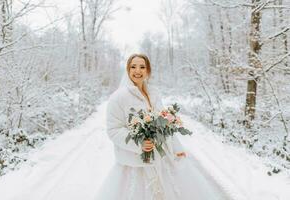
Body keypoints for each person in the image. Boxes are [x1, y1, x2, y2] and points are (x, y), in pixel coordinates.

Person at [94, 54, 229, 200]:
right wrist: (140, 144)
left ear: (148, 71)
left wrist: (177, 148)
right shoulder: (119, 97)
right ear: (127, 70)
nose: (137, 70)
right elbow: (114, 130)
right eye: (133, 66)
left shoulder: (154, 93)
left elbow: (164, 123)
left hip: (160, 157)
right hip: (135, 163)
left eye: (142, 67)